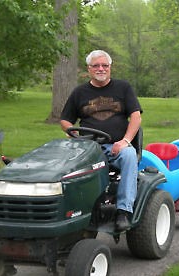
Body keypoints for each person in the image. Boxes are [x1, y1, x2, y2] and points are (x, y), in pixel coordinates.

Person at [60, 49, 142, 231]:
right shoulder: (79, 92)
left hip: (116, 146)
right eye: (96, 65)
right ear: (89, 69)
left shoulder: (123, 88)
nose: (101, 69)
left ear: (110, 67)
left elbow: (136, 117)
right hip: (87, 147)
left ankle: (123, 211)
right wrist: (70, 132)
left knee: (129, 156)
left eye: (104, 65)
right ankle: (71, 208)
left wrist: (125, 141)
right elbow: (65, 120)